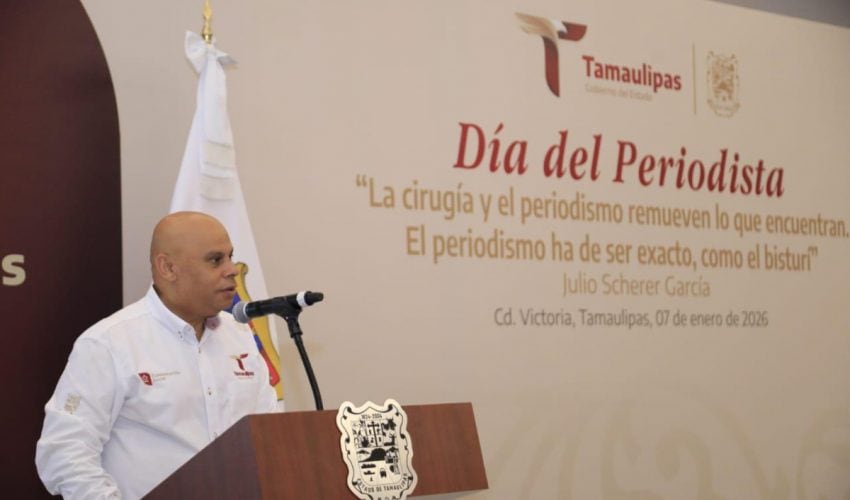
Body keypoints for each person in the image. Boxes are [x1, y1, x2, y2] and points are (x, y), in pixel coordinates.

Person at [36, 211, 278, 499]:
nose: (232, 269)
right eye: (215, 260)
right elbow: (64, 451)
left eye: (230, 256)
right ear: (168, 268)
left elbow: (268, 438)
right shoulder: (109, 343)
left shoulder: (240, 335)